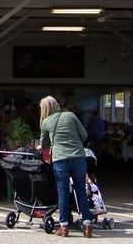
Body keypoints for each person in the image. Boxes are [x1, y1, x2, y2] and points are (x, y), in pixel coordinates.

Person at [38, 95, 93, 238]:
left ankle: (64, 227)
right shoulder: (71, 115)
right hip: (79, 158)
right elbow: (84, 135)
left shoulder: (45, 122)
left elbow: (43, 144)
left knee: (62, 194)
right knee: (81, 192)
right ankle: (87, 225)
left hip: (60, 160)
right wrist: (74, 143)